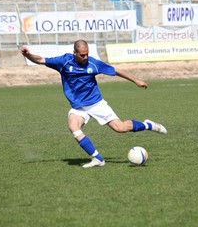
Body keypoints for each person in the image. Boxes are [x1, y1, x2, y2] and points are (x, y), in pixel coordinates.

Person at [21, 40, 167, 168]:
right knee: (73, 127)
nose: (85, 57)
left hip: (96, 103)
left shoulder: (93, 63)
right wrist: (28, 55)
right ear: (74, 53)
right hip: (78, 106)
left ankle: (149, 125)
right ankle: (98, 159)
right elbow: (41, 60)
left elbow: (115, 70)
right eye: (82, 55)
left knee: (120, 128)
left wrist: (135, 80)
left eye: (87, 54)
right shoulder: (64, 62)